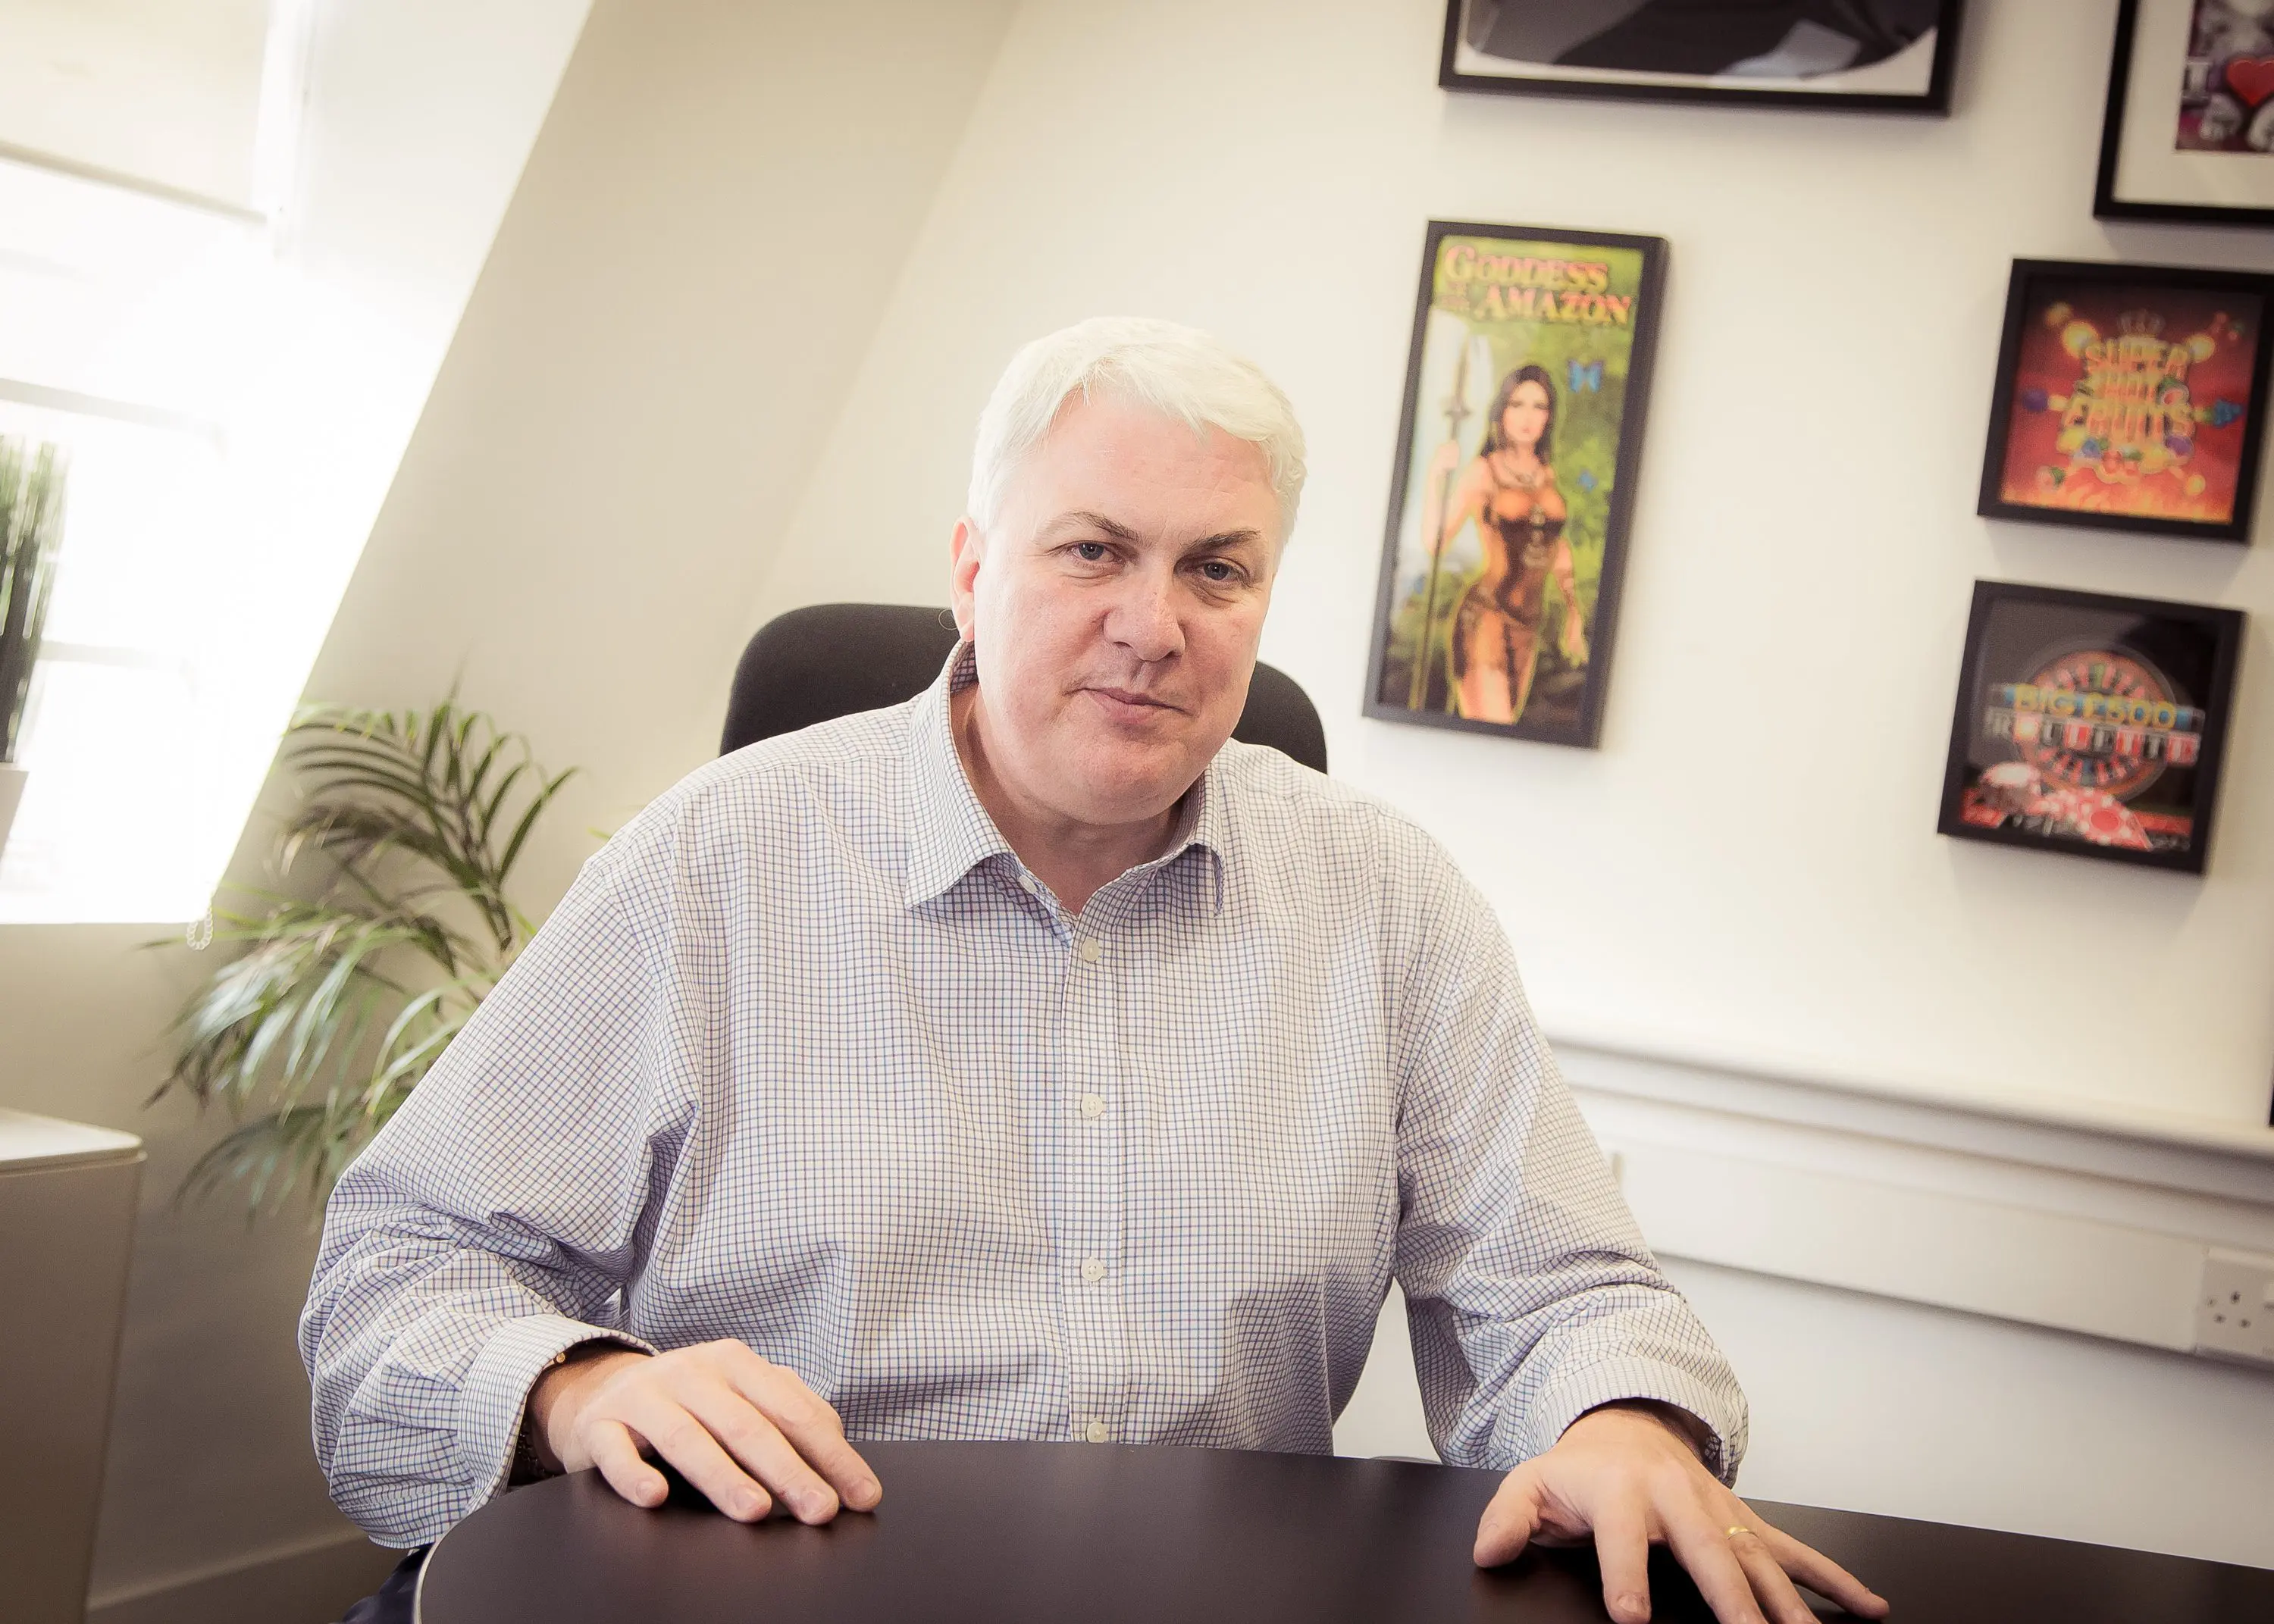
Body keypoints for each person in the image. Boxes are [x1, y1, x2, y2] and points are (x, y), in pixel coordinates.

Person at [305, 317, 1886, 1624]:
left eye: (1217, 570)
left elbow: (1565, 1283)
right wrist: (574, 1384)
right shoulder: (710, 862)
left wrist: (1619, 1417)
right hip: (759, 1594)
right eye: (1093, 551)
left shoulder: (1386, 900)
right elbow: (398, 1271)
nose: (1155, 625)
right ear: (971, 570)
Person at [1421, 363, 1589, 724]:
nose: (1528, 416)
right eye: (1517, 404)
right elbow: (1435, 542)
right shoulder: (1484, 471)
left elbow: (1557, 549)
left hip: (1529, 624)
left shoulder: (1547, 474)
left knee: (1504, 731)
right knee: (1490, 729)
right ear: (1502, 410)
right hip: (1487, 617)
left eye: (1539, 406)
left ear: (1548, 416)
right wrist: (1435, 476)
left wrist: (1574, 611)